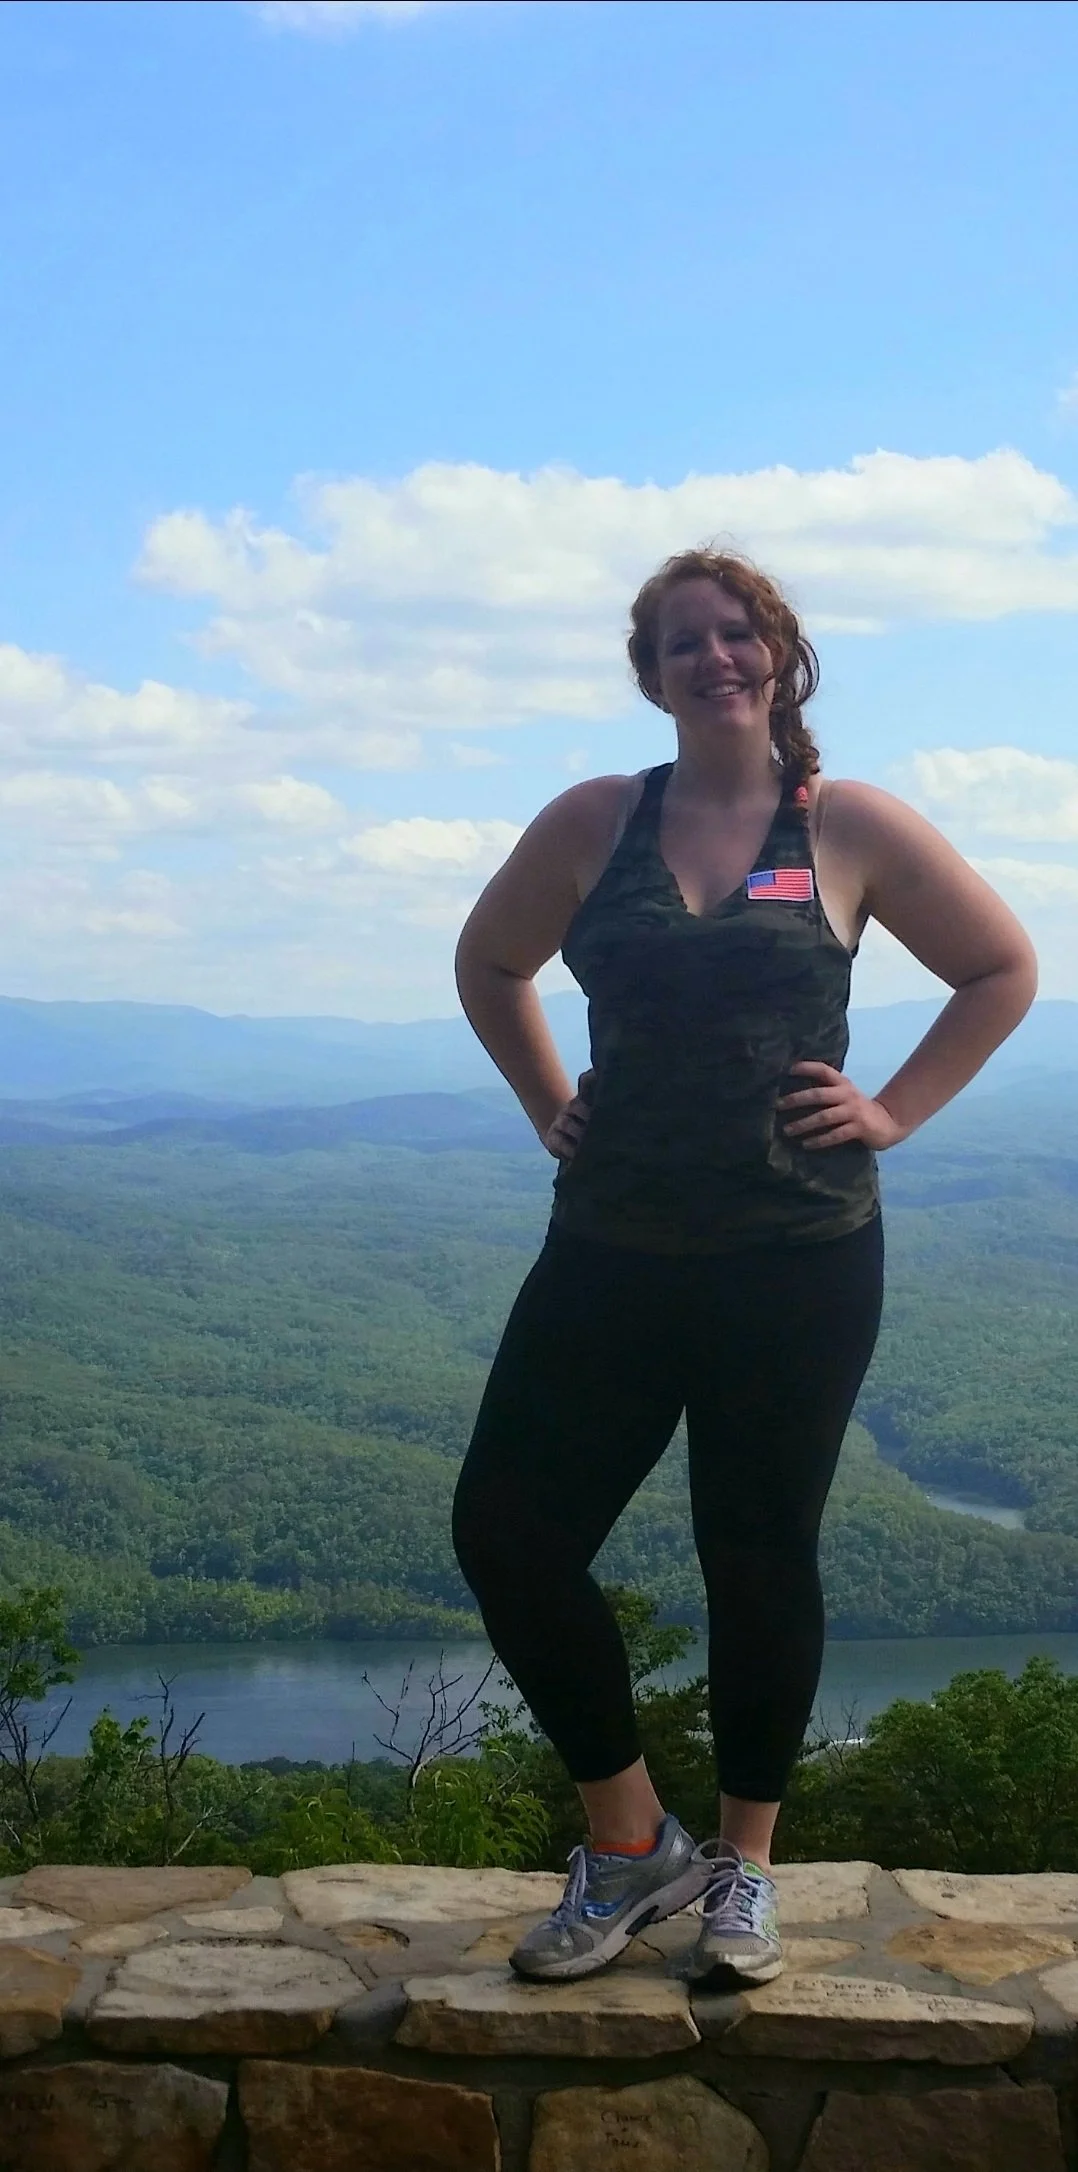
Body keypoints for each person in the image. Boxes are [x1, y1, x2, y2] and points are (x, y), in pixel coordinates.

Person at [451, 548, 1037, 1989]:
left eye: (734, 634)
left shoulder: (843, 823)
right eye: (679, 643)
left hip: (797, 1259)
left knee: (755, 1552)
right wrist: (547, 1108)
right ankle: (631, 1841)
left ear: (778, 654)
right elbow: (488, 963)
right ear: (646, 675)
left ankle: (747, 1873)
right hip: (610, 1250)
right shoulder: (596, 823)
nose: (711, 659)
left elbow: (1001, 967)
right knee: (508, 1533)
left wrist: (891, 1110)